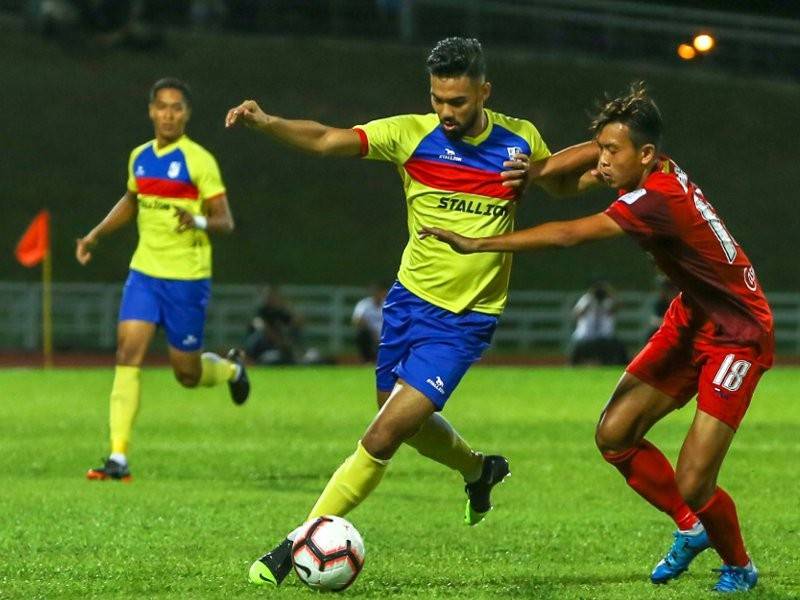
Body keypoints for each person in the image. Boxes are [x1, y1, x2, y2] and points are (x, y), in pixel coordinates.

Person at [225, 37, 595, 586]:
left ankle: (295, 543)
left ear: (484, 92)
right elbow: (329, 140)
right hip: (406, 304)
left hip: (465, 319)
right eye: (438, 99)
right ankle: (479, 469)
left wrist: (598, 172)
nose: (447, 113)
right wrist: (266, 122)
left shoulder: (520, 140)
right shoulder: (410, 134)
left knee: (381, 436)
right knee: (402, 420)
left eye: (459, 102)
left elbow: (565, 185)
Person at [421, 82, 773, 593]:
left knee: (695, 479)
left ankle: (739, 565)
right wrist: (543, 171)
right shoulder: (652, 163)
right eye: (602, 149)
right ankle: (690, 526)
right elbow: (593, 150)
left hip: (738, 333)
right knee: (614, 435)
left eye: (613, 152)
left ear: (645, 154)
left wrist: (477, 242)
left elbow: (567, 234)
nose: (602, 160)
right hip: (693, 316)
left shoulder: (656, 199)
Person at [76, 77, 250, 482]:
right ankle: (118, 457)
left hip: (186, 279)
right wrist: (96, 235)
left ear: (186, 114)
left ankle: (230, 370)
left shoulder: (199, 161)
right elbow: (131, 200)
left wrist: (199, 219)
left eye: (177, 108)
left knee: (186, 374)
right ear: (151, 111)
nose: (169, 114)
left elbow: (225, 221)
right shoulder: (140, 157)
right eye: (162, 107)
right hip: (145, 274)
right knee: (127, 353)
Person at [569, 280, 628, 365]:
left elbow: (619, 305)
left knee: (620, 347)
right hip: (586, 336)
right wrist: (589, 301)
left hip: (604, 337)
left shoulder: (607, 301)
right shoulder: (587, 299)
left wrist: (609, 292)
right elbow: (576, 313)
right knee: (576, 348)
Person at [244, 285, 304, 364]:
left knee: (294, 333)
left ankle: (296, 356)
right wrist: (277, 339)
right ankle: (251, 360)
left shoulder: (280, 311)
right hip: (264, 341)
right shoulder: (261, 311)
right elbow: (261, 326)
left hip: (277, 342)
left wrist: (287, 306)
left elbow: (297, 322)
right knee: (257, 337)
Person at [351, 282, 387, 363]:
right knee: (361, 334)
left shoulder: (387, 304)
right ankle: (366, 360)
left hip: (386, 333)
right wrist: (371, 331)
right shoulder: (364, 304)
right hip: (370, 334)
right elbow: (357, 320)